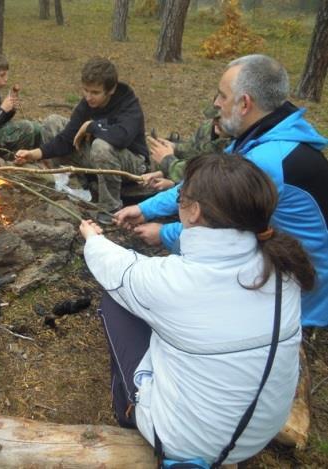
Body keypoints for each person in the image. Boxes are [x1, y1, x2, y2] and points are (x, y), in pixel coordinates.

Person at [80, 152, 314, 465]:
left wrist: (93, 239)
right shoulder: (283, 266)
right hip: (259, 433)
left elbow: (116, 269)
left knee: (116, 299)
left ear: (194, 212)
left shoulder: (174, 281)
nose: (177, 202)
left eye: (180, 196)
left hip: (188, 442)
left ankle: (128, 408)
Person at [115, 54, 328, 327]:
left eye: (222, 96)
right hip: (285, 262)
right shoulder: (266, 134)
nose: (216, 103)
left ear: (245, 103)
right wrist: (145, 209)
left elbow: (221, 230)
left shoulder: (266, 159)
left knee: (192, 243)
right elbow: (201, 183)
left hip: (301, 295)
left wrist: (163, 234)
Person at [14, 57, 149, 223]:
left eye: (95, 93)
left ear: (111, 89)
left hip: (133, 165)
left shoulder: (128, 103)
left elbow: (121, 138)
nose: (88, 97)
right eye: (85, 90)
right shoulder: (87, 103)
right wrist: (34, 154)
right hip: (98, 160)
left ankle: (111, 209)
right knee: (52, 123)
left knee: (102, 146)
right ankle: (75, 186)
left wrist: (92, 126)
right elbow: (67, 139)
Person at [141, 103, 231, 191]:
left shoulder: (236, 149)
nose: (214, 122)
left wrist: (168, 163)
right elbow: (195, 150)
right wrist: (175, 148)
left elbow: (206, 177)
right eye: (213, 117)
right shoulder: (210, 127)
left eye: (219, 118)